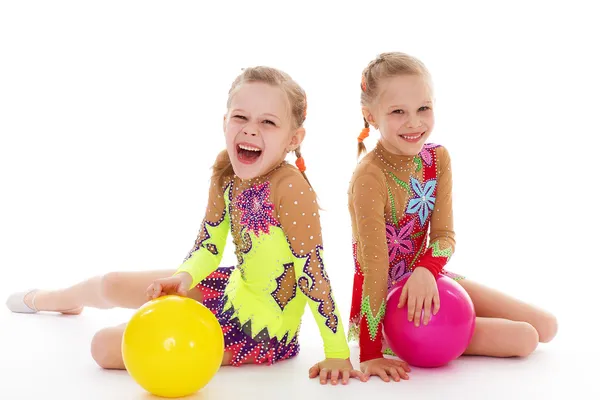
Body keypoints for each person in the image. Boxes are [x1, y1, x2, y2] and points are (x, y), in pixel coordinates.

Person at [6, 66, 366, 386]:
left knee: (104, 346)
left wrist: (336, 350)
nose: (251, 130)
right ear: (224, 121)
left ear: (293, 138)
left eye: (268, 122)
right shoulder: (227, 169)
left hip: (259, 330)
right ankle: (54, 300)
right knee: (112, 282)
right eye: (241, 117)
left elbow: (312, 274)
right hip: (230, 288)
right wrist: (184, 278)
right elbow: (208, 246)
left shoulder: (290, 188)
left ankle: (128, 320)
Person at [346, 52, 559, 382]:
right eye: (397, 111)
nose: (414, 122)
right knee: (525, 338)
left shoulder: (437, 159)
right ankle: (390, 336)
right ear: (370, 115)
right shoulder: (369, 178)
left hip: (429, 274)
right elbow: (375, 267)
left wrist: (425, 270)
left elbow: (445, 237)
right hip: (391, 300)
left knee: (546, 325)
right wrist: (370, 352)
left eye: (423, 108)